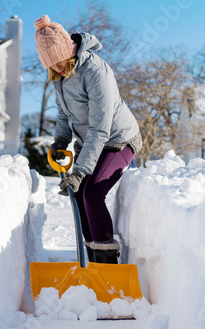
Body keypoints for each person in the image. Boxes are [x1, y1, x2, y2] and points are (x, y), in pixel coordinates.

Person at [34, 15, 142, 264]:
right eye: (52, 65)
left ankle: (107, 263)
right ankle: (92, 261)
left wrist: (81, 170)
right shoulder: (59, 76)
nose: (59, 68)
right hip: (90, 142)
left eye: (61, 61)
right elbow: (64, 112)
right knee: (79, 191)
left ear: (69, 51)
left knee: (92, 192)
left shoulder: (95, 71)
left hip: (117, 139)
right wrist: (61, 140)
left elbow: (100, 128)